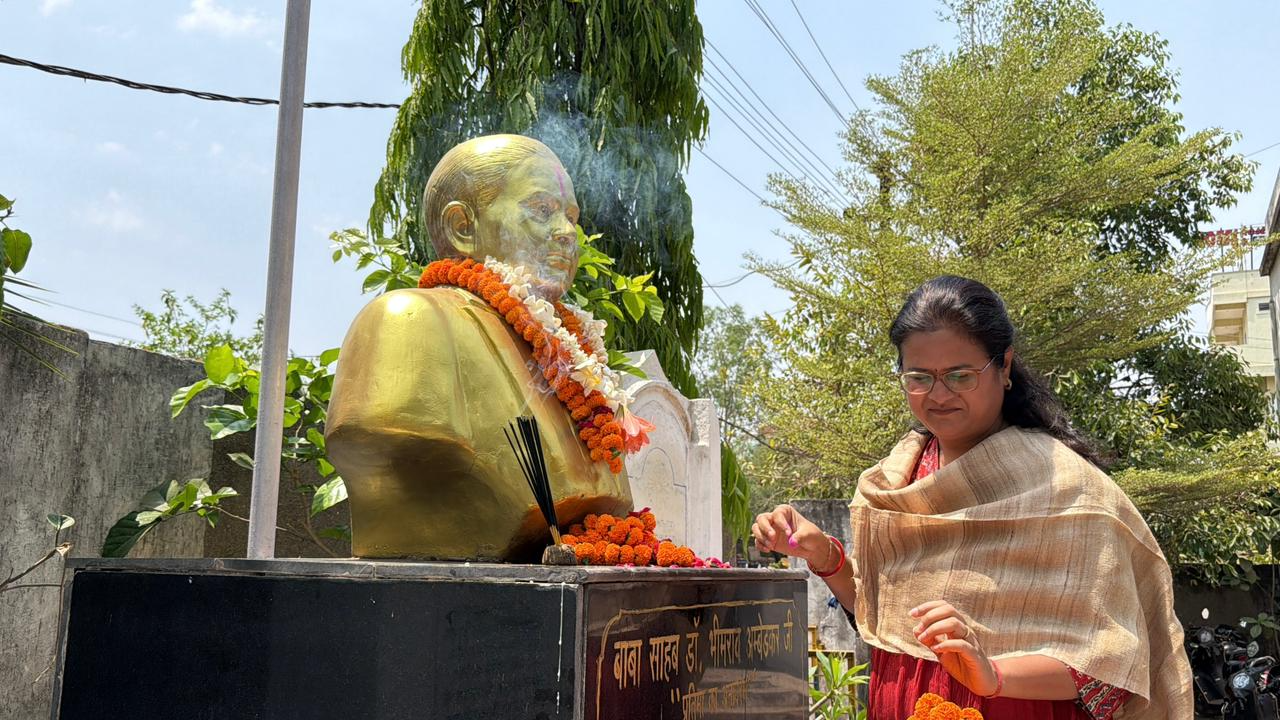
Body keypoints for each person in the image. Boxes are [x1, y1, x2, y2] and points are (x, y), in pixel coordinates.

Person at [752, 276, 1191, 719]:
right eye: (919, 377)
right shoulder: (895, 483)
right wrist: (825, 556)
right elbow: (884, 620)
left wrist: (992, 673)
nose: (939, 395)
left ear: (1003, 367)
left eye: (960, 375)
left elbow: (1110, 671)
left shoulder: (1069, 491)